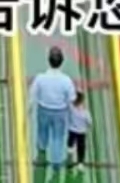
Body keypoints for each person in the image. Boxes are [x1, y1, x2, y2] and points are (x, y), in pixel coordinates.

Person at [30, 46, 76, 178]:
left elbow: (33, 95)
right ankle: (56, 165)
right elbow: (71, 99)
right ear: (61, 62)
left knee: (42, 134)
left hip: (43, 110)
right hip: (60, 112)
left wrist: (28, 110)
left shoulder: (40, 78)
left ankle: (41, 157)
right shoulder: (66, 81)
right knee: (57, 138)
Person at [67, 90, 91, 174]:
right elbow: (89, 122)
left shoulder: (71, 108)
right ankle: (80, 164)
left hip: (72, 130)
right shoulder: (85, 112)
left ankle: (69, 162)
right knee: (81, 148)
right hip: (81, 132)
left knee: (70, 146)